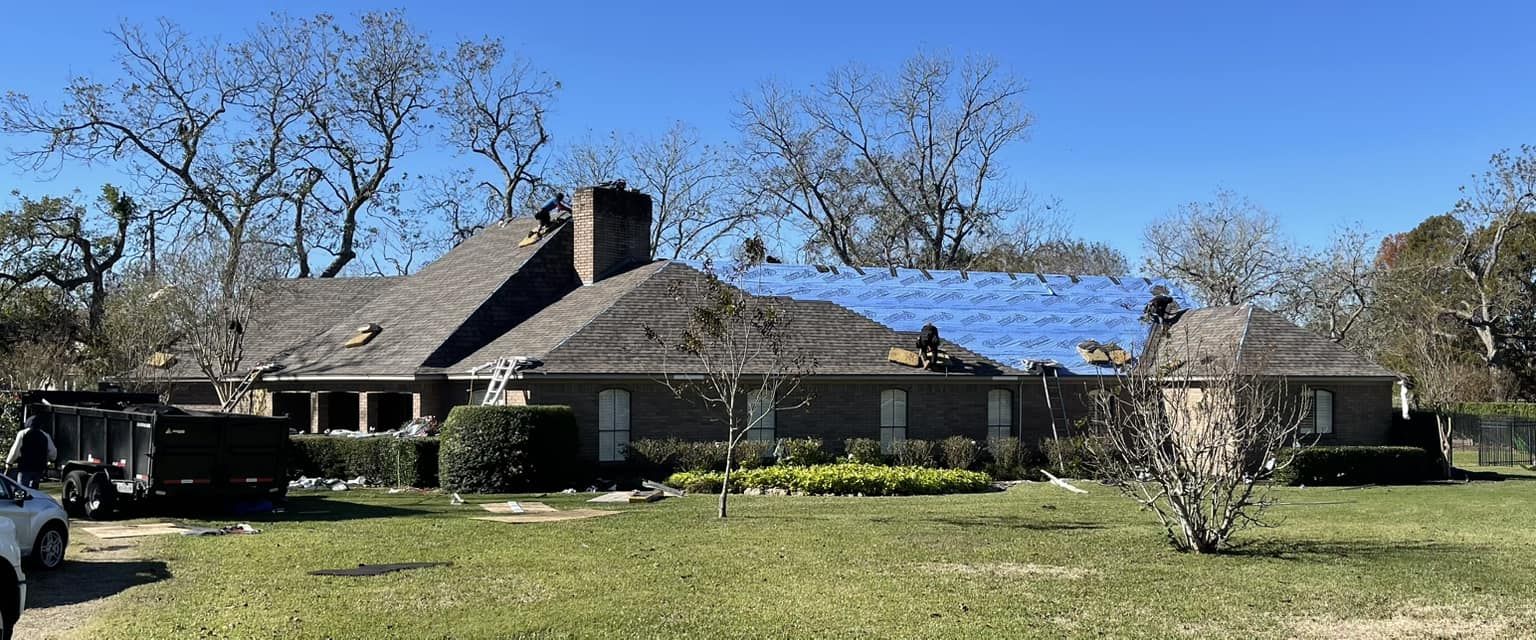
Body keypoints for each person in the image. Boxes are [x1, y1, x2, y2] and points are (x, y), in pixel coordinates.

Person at [6, 415, 56, 489]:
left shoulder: (22, 433)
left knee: (22, 489)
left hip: (25, 467)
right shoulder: (45, 435)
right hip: (39, 468)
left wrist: (9, 462)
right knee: (34, 490)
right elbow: (53, 453)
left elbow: (15, 451)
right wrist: (49, 459)